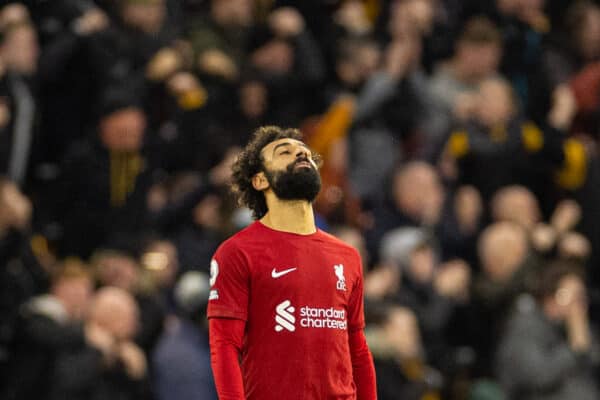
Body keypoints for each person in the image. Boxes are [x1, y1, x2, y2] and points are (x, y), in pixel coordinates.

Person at [207, 126, 377, 399]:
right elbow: (225, 344)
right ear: (260, 180)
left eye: (305, 153)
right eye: (284, 152)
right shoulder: (237, 252)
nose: (300, 154)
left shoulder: (347, 256)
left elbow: (356, 347)